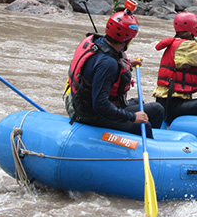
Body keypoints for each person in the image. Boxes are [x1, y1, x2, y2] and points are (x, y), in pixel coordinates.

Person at [64, 9, 165, 138]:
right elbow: (101, 106)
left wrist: (127, 63)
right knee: (144, 124)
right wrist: (132, 117)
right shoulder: (107, 64)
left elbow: (97, 67)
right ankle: (151, 150)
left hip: (79, 102)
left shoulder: (97, 42)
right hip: (88, 113)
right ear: (127, 40)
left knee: (149, 106)